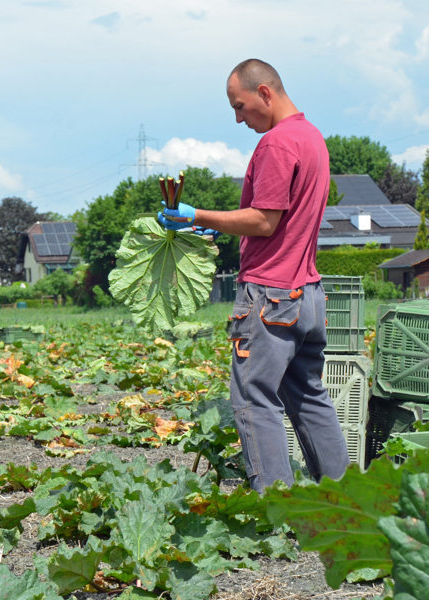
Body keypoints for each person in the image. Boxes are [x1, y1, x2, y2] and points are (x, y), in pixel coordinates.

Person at [159, 58, 349, 492]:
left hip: (271, 296)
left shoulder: (277, 144)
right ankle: (346, 497)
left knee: (253, 397)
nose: (239, 118)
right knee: (307, 397)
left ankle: (275, 507)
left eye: (240, 106)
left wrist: (194, 216)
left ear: (265, 93)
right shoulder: (312, 137)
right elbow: (280, 220)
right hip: (308, 295)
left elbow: (264, 221)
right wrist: (217, 224)